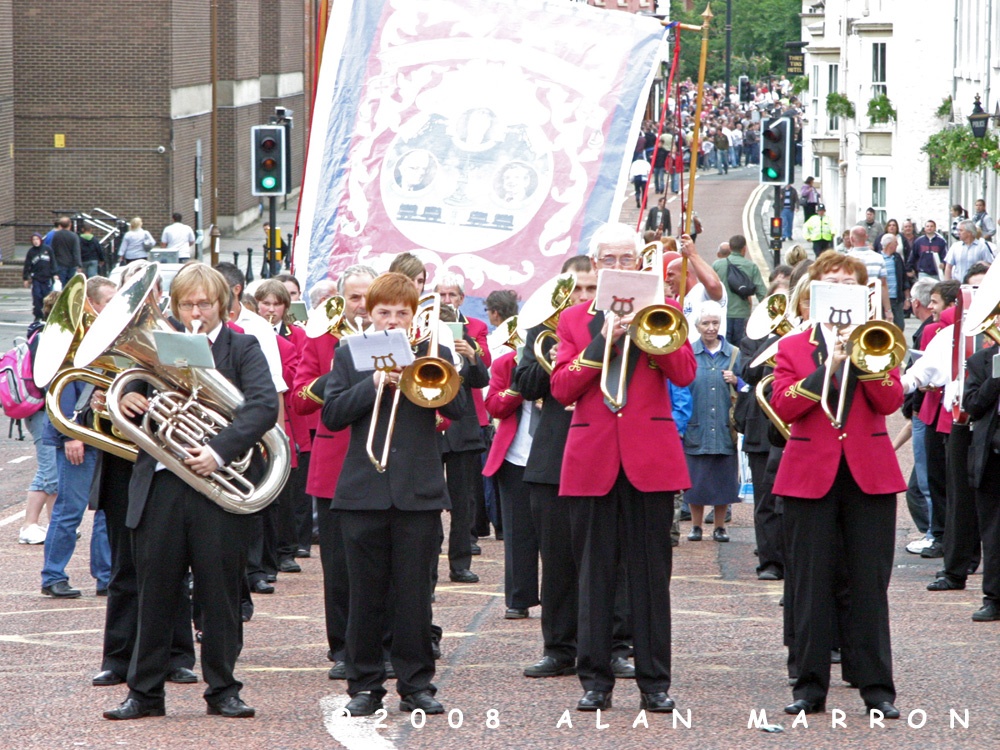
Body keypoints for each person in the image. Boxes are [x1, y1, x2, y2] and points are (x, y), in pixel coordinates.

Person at [103, 262, 279, 721]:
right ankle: (144, 693)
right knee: (154, 594)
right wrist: (127, 400)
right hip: (161, 486)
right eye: (186, 303)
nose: (195, 310)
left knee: (219, 596)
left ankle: (223, 689)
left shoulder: (243, 346)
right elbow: (130, 395)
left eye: (203, 302)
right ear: (174, 305)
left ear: (222, 303)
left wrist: (218, 451)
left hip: (214, 488)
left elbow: (263, 406)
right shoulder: (157, 348)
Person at [550, 222, 697, 713]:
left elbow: (684, 373)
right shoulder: (573, 320)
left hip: (649, 460)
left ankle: (655, 681)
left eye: (626, 260)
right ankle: (595, 680)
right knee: (593, 574)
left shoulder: (666, 312)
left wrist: (646, 330)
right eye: (608, 260)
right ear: (595, 266)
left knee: (651, 577)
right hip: (592, 460)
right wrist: (603, 342)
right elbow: (563, 388)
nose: (617, 268)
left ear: (640, 265)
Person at [322, 272, 468, 718]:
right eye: (384, 312)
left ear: (412, 318)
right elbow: (331, 415)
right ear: (369, 312)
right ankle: (364, 685)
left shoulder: (433, 353)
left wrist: (423, 373)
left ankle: (416, 684)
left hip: (418, 492)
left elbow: (461, 410)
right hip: (362, 492)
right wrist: (373, 384)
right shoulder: (349, 354)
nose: (392, 321)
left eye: (401, 314)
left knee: (414, 596)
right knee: (364, 595)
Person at [770, 251, 905, 719]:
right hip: (810, 474)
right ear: (814, 293)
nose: (841, 286)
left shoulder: (878, 342)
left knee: (869, 583)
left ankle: (876, 687)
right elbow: (784, 405)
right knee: (810, 583)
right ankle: (809, 686)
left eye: (850, 282)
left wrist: (863, 357)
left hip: (868, 472)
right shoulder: (792, 346)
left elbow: (891, 400)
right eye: (833, 280)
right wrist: (827, 365)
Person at [515, 255, 636, 680]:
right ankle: (560, 647)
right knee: (559, 558)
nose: (583, 296)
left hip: (607, 449)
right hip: (553, 455)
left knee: (613, 556)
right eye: (576, 289)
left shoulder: (627, 325)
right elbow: (526, 384)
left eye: (590, 289)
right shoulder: (542, 331)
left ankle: (616, 646)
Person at [291, 264, 376, 680]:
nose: (361, 306)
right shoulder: (322, 337)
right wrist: (338, 376)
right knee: (339, 566)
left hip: (382, 462)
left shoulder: (400, 338)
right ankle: (342, 647)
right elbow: (300, 399)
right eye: (354, 297)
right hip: (335, 465)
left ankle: (385, 645)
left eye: (368, 297)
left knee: (384, 563)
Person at [39, 277, 116, 598]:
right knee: (70, 509)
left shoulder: (109, 337)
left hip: (103, 433)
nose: (115, 307)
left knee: (106, 509)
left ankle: (106, 575)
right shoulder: (73, 338)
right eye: (109, 302)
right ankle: (53, 575)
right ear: (92, 305)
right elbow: (61, 387)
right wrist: (72, 434)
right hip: (77, 435)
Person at [483, 341, 538, 619]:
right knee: (518, 533)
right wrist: (518, 385)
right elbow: (493, 406)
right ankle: (519, 597)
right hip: (515, 456)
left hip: (554, 455)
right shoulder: (506, 363)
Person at [683, 301, 739, 543]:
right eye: (705, 323)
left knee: (723, 481)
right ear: (697, 326)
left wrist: (737, 381)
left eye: (715, 323)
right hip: (698, 426)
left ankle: (719, 527)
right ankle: (695, 526)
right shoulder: (689, 353)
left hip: (724, 428)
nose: (710, 328)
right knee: (696, 481)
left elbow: (749, 387)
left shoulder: (734, 354)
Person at [712, 234, 766, 347]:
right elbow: (762, 294)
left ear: (730, 248)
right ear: (744, 249)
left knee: (722, 348)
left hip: (722, 315)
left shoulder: (717, 265)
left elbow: (708, 288)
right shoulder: (751, 267)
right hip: (742, 315)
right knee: (740, 350)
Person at [846, 226, 892, 323]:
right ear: (866, 237)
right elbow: (883, 285)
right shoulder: (878, 257)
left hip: (851, 303)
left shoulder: (846, 259)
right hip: (873, 304)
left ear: (851, 239)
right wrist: (888, 310)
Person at [22, 233, 55, 322]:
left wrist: (54, 274)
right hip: (36, 278)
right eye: (34, 240)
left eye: (37, 239)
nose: (36, 241)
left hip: (47, 278)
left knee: (47, 297)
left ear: (40, 240)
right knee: (37, 296)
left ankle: (47, 315)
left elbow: (53, 262)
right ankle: (38, 315)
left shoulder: (48, 249)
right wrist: (25, 278)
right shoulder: (31, 252)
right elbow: (27, 265)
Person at [879, 233, 909, 329]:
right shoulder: (878, 258)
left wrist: (907, 298)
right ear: (889, 245)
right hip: (881, 299)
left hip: (896, 299)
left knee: (899, 326)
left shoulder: (897, 258)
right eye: (895, 242)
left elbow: (904, 279)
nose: (897, 245)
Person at [50, 217, 83, 286]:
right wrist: (79, 264)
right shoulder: (74, 236)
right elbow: (76, 251)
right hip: (72, 264)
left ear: (60, 225)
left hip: (60, 263)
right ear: (70, 224)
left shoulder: (56, 235)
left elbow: (52, 249)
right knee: (69, 285)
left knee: (61, 284)